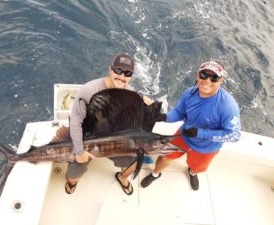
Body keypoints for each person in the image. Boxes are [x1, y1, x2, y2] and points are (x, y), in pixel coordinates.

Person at [141, 60, 241, 191]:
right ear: (197, 76)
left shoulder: (228, 105)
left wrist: (200, 133)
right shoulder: (189, 93)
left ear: (221, 81)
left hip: (206, 148)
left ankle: (192, 172)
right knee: (165, 157)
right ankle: (155, 174)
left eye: (214, 77)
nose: (207, 80)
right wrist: (164, 117)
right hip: (183, 136)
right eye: (204, 75)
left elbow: (234, 135)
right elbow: (179, 112)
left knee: (196, 167)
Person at [65, 53, 152, 195]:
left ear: (131, 76)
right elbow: (75, 122)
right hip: (86, 139)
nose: (122, 77)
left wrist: (147, 106)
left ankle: (122, 178)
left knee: (134, 163)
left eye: (127, 73)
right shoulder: (88, 90)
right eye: (118, 71)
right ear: (110, 69)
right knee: (73, 177)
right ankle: (71, 182)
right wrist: (80, 152)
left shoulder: (132, 95)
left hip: (114, 142)